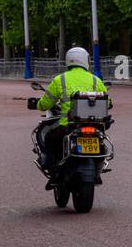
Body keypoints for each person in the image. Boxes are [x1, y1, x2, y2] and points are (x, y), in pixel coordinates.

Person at [35, 47, 111, 182]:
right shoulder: (95, 80)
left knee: (49, 139)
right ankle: (97, 172)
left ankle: (54, 175)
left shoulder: (60, 80)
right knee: (102, 144)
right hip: (94, 125)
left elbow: (45, 104)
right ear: (86, 61)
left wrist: (38, 105)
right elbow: (108, 102)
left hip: (67, 125)